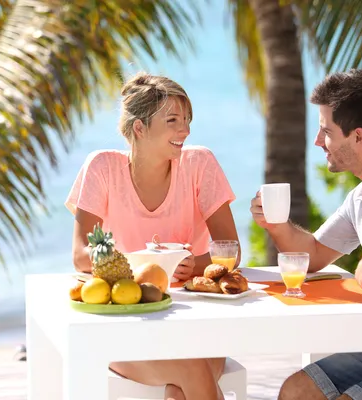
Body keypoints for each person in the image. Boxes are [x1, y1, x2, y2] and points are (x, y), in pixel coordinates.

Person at [250, 68, 362, 400]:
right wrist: (277, 225)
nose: (318, 141)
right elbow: (314, 254)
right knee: (297, 391)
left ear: (359, 137)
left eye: (326, 131)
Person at [65, 72, 241, 400]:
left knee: (182, 388)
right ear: (139, 128)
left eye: (187, 119)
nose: (185, 130)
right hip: (125, 325)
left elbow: (230, 250)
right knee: (191, 373)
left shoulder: (200, 163)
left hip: (196, 321)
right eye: (173, 120)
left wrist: (195, 264)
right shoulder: (102, 168)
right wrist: (144, 267)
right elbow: (79, 254)